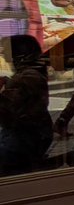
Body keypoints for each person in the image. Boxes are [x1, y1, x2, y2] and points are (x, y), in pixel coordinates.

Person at [0, 34, 53, 174]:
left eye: (7, 51)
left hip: (21, 138)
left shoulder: (26, 77)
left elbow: (7, 111)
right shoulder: (31, 74)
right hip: (29, 135)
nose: (4, 56)